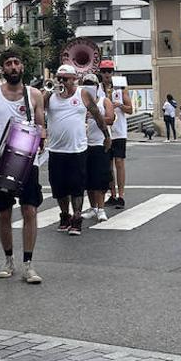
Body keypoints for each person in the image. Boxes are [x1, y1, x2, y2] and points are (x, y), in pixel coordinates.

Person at [0, 50, 46, 283]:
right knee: (3, 213)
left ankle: (28, 264)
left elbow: (42, 127)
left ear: (22, 67)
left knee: (30, 211)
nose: (13, 67)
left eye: (16, 63)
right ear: (3, 69)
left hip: (28, 163)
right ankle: (8, 260)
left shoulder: (34, 95)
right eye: (8, 64)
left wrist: (42, 140)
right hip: (2, 162)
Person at [44, 65, 109, 236]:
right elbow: (37, 108)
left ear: (74, 79)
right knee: (59, 187)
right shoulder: (51, 96)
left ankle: (77, 217)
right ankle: (65, 215)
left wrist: (106, 136)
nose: (61, 81)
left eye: (65, 78)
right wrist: (47, 92)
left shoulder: (83, 94)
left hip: (77, 149)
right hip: (56, 149)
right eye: (59, 78)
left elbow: (97, 115)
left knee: (77, 186)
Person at [80, 72, 115, 222]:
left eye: (91, 84)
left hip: (99, 143)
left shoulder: (104, 101)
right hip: (84, 143)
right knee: (87, 178)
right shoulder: (80, 101)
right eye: (86, 83)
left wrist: (94, 115)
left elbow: (111, 118)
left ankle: (101, 208)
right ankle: (93, 207)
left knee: (100, 178)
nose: (88, 86)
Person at [102, 60, 132, 209]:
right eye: (104, 71)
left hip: (119, 131)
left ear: (113, 72)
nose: (107, 74)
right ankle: (112, 194)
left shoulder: (121, 89)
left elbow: (130, 109)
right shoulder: (97, 89)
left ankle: (121, 195)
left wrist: (119, 105)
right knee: (107, 165)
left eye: (109, 71)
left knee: (119, 163)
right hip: (104, 132)